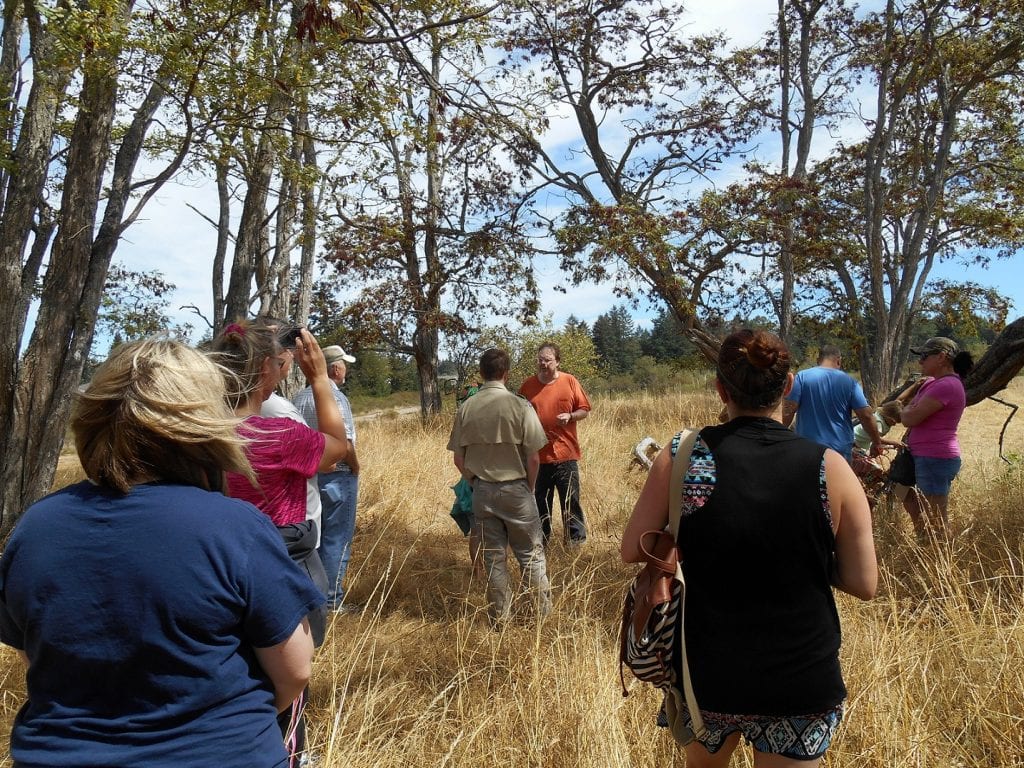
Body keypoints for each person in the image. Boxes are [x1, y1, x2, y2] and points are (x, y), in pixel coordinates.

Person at [0, 339, 322, 768]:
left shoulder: (37, 526)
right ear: (203, 427)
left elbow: (36, 651)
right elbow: (294, 670)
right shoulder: (234, 527)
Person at [622, 329, 877, 768]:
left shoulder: (684, 454)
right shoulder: (830, 466)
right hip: (799, 677)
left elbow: (632, 548)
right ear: (790, 384)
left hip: (706, 668)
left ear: (721, 389)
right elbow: (863, 582)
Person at [211, 321, 349, 767]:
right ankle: (287, 753)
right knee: (288, 677)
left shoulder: (202, 434)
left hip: (214, 566)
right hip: (281, 564)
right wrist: (320, 380)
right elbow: (337, 449)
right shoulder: (277, 435)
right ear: (266, 370)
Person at [448, 348, 552, 625]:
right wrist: (528, 488)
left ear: (481, 374)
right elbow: (533, 457)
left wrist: (475, 481)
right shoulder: (520, 406)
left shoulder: (466, 408)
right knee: (530, 554)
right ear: (506, 374)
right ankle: (542, 619)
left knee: (493, 558)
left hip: (482, 491)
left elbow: (459, 458)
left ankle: (501, 619)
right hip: (517, 489)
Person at [293, 344, 360, 613]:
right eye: (344, 364)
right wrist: (356, 467)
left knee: (314, 539)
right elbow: (346, 444)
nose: (346, 369)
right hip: (338, 475)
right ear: (335, 368)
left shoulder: (298, 398)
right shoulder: (337, 398)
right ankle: (331, 599)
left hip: (309, 475)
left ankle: (312, 597)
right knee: (337, 538)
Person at [257, 318, 323, 546]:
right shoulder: (280, 418)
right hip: (292, 539)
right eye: (283, 347)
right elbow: (332, 455)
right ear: (268, 363)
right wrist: (318, 378)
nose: (291, 355)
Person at [899, 337, 973, 539]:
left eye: (924, 356)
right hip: (923, 456)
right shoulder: (933, 383)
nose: (920, 362)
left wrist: (906, 411)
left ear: (941, 357)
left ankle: (943, 556)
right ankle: (925, 540)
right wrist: (908, 410)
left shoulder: (947, 385)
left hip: (935, 458)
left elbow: (909, 417)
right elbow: (909, 410)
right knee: (903, 493)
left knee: (937, 517)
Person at [518, 342, 592, 545]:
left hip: (565, 454)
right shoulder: (527, 385)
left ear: (557, 362)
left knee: (571, 500)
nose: (543, 364)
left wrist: (571, 416)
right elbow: (518, 415)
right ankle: (542, 541)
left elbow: (584, 409)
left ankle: (576, 542)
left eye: (547, 360)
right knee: (540, 501)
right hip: (538, 457)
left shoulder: (569, 381)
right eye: (540, 360)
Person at [783, 344, 883, 461]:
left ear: (818, 360)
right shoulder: (850, 382)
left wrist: (778, 435)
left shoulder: (802, 376)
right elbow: (866, 416)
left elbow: (789, 410)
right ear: (839, 361)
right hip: (839, 452)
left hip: (807, 449)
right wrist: (877, 442)